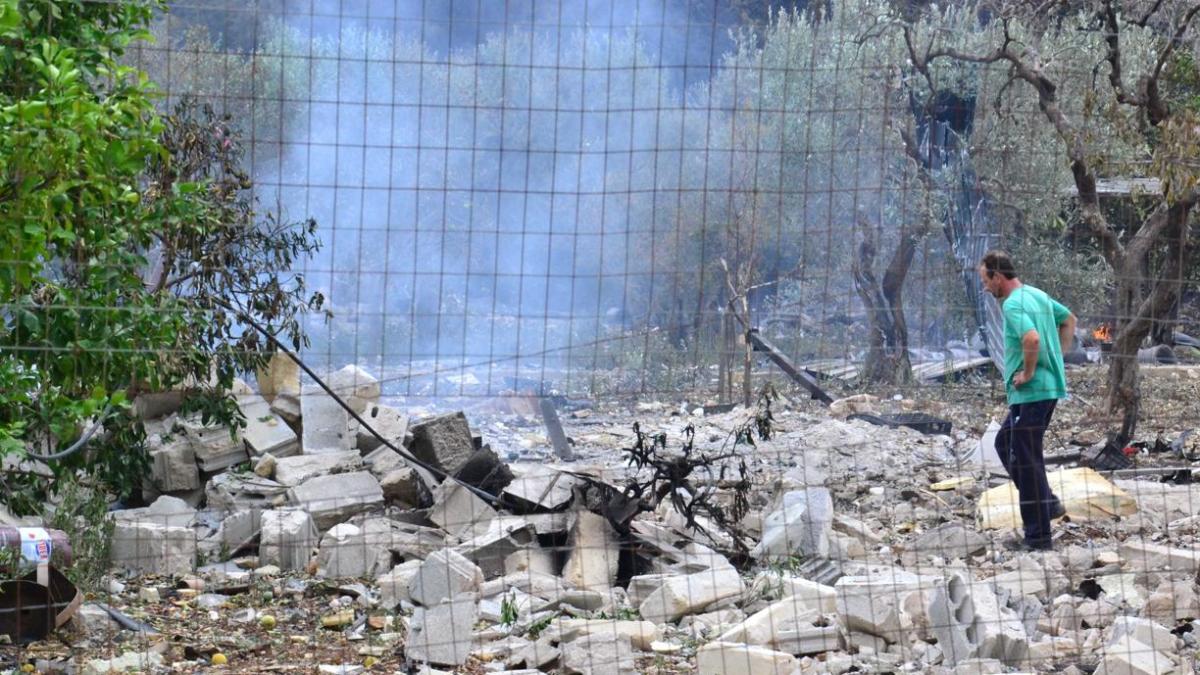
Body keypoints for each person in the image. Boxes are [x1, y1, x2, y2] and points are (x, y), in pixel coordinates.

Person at [978, 250, 1076, 550]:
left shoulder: (1013, 304)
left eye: (986, 280)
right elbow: (1069, 319)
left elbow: (1031, 339)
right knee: (1004, 443)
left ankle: (1038, 537)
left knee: (1026, 458)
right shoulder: (1037, 295)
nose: (985, 287)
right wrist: (1057, 357)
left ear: (998, 276)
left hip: (1032, 392)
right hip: (1044, 392)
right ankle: (1047, 502)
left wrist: (1030, 372)